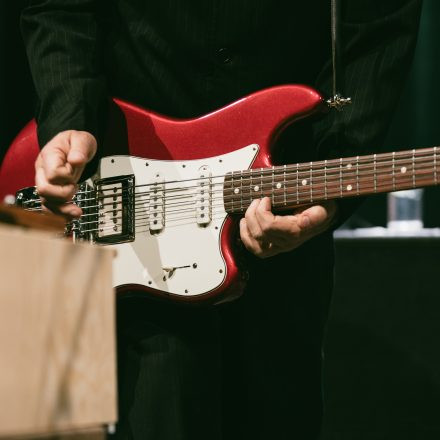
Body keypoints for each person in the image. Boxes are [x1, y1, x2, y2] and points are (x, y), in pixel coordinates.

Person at [20, 1, 422, 439]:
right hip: (95, 174)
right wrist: (67, 118)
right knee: (51, 421)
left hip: (279, 209)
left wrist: (329, 184)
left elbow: (378, 31)